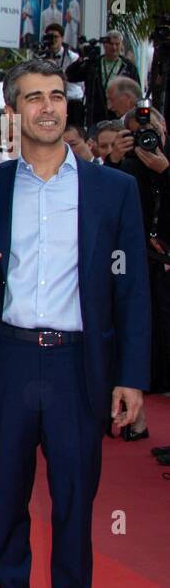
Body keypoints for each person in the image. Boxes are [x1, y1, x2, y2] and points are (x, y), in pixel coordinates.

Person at [0, 58, 149, 588]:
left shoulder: (112, 189)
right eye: (34, 98)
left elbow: (133, 290)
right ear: (12, 112)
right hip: (9, 360)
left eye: (57, 97)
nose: (48, 107)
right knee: (7, 496)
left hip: (78, 367)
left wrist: (131, 376)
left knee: (74, 500)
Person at [112, 105, 170, 405]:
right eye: (137, 134)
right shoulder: (128, 167)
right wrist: (114, 159)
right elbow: (108, 207)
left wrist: (166, 171)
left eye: (152, 130)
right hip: (140, 256)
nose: (147, 138)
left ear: (164, 128)